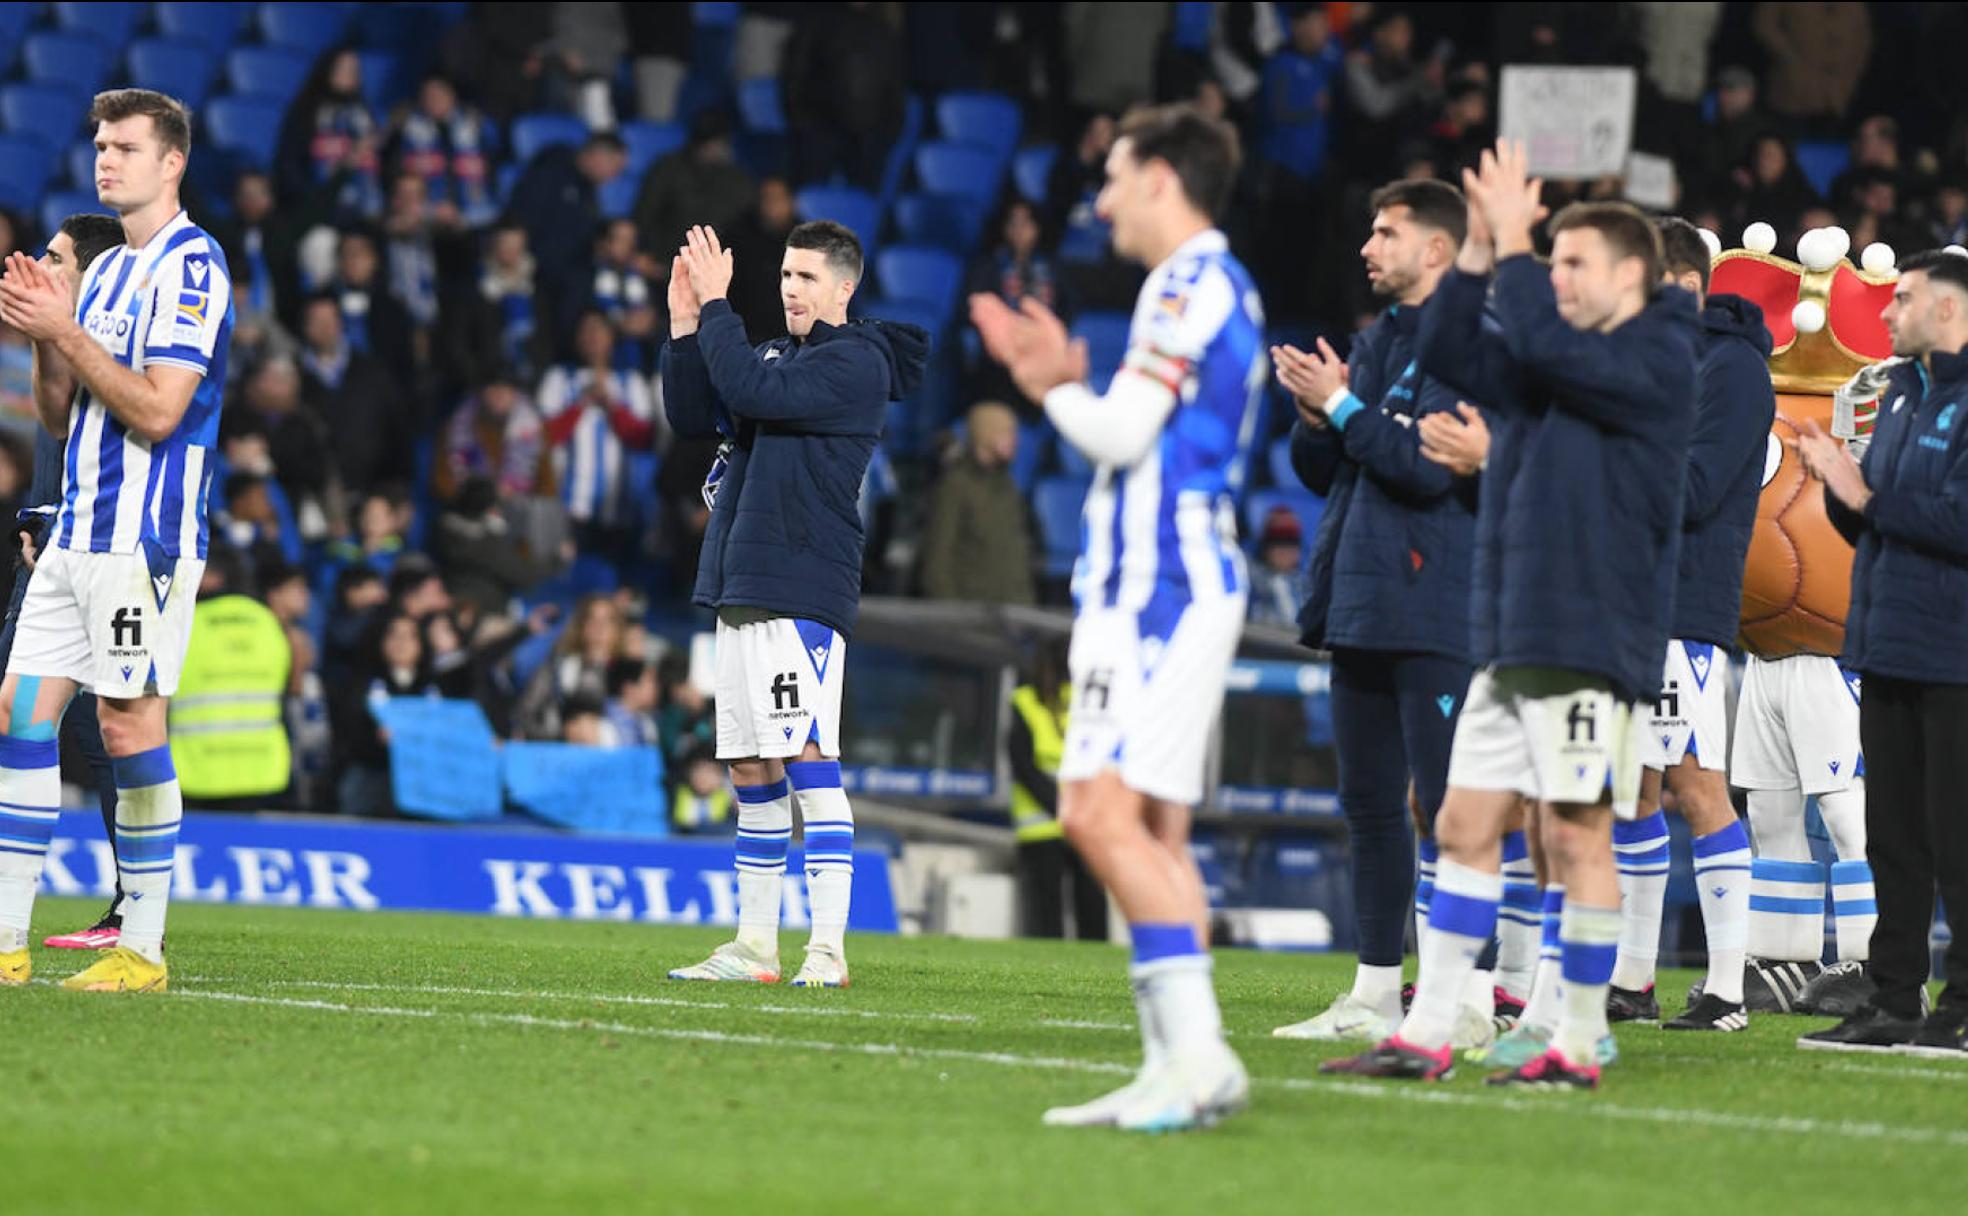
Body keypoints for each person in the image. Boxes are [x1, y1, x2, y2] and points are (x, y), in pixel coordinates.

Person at [1324, 142, 1699, 1088]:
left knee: (1575, 834)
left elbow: (1543, 347)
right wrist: (1486, 253)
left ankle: (1578, 1036)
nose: (1558, 278)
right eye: (1554, 262)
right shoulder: (1546, 361)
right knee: (1462, 823)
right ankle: (1431, 1029)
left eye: (1574, 263)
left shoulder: (1659, 352)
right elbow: (1454, 348)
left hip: (1594, 643)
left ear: (1628, 275)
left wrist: (1518, 245)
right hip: (1510, 634)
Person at [970, 103, 1262, 1131]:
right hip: (1152, 583)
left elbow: (1120, 429)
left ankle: (1199, 1058)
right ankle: (1172, 1063)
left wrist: (1050, 388)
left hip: (1162, 587)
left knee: (1095, 814)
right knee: (1150, 828)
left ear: (1160, 180)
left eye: (1115, 176)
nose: (1098, 200)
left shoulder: (1187, 282)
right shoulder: (1199, 284)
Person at [0, 88, 235, 993]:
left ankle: (141, 948)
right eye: (101, 145)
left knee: (126, 722)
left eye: (126, 147)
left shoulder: (193, 266)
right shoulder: (104, 274)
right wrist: (42, 332)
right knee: (22, 714)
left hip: (145, 538)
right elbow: (59, 415)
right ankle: (12, 938)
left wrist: (63, 329)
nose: (106, 160)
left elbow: (158, 408)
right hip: (76, 532)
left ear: (171, 162)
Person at [662, 217, 927, 990]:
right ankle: (754, 946)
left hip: (800, 584)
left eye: (805, 278)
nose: (788, 289)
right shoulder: (778, 355)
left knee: (809, 757)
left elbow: (749, 389)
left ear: (845, 288)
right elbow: (694, 413)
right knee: (750, 765)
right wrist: (685, 324)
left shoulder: (854, 364)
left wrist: (718, 308)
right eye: (782, 275)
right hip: (742, 578)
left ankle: (828, 949)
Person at [1268, 178, 1490, 1046]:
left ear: (1437, 250)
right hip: (1359, 596)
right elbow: (1329, 471)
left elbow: (1428, 467)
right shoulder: (1373, 342)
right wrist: (1317, 420)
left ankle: (1467, 995)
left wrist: (1347, 409)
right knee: (1367, 803)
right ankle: (1374, 992)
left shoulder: (1468, 349)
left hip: (1437, 602)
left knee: (1450, 807)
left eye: (1387, 232)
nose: (1368, 246)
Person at [1600, 219, 1774, 1034]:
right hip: (1627, 598)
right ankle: (1634, 979)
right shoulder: (1649, 357)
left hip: (1685, 602)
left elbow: (1698, 488)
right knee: (1631, 792)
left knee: (1695, 783)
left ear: (1677, 282)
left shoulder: (1733, 368)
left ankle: (1729, 989)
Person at [1796, 250, 1968, 1057]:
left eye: (1902, 300)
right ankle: (1894, 1000)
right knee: (1894, 838)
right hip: (1890, 643)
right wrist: (1838, 486)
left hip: (1956, 654)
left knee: (1957, 838)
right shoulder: (1900, 393)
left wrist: (1867, 495)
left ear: (1948, 310)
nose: (1886, 313)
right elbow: (1878, 524)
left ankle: (1961, 1005)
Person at [0, 214, 127, 951]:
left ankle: (132, 909)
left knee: (34, 710)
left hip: (79, 560)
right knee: (96, 731)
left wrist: (50, 525)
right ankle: (132, 907)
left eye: (56, 257)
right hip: (52, 551)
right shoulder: (62, 341)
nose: (41, 265)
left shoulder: (103, 346)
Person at [538, 310, 659, 560]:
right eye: (585, 331)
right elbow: (545, 437)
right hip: (569, 506)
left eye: (599, 330)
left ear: (611, 337)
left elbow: (642, 438)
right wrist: (581, 404)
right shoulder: (559, 379)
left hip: (620, 507)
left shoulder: (631, 381)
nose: (592, 337)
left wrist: (613, 406)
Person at [1007, 637, 1107, 940]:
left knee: (1078, 906)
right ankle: (1089, 969)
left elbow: (1022, 762)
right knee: (1064, 909)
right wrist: (1066, 806)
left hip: (1061, 821)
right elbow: (1023, 763)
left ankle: (1084, 967)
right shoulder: (1031, 701)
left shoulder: (1080, 700)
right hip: (1054, 824)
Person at [918, 401, 1036, 605]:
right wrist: (951, 613)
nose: (1013, 440)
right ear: (985, 434)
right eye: (1005, 433)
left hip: (1014, 613)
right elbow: (939, 557)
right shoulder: (955, 486)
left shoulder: (1008, 487)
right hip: (970, 616)